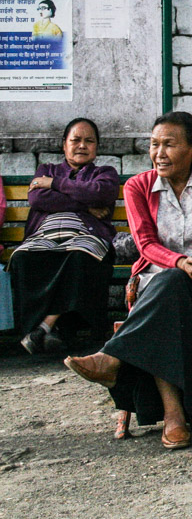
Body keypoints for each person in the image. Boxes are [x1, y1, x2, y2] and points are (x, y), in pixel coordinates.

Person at [63, 111, 192, 450]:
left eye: (169, 145)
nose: (159, 153)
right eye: (154, 144)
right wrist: (178, 262)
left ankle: (115, 358)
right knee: (170, 286)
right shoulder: (138, 186)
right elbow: (145, 244)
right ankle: (174, 414)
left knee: (170, 291)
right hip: (161, 282)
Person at [8, 118, 119, 353]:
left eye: (89, 141)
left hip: (85, 235)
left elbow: (101, 193)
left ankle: (44, 327)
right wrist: (86, 206)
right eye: (75, 140)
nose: (82, 145)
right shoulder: (46, 170)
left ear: (96, 147)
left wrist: (55, 185)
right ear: (64, 145)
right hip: (44, 234)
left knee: (79, 257)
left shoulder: (105, 173)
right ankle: (47, 329)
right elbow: (38, 198)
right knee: (23, 257)